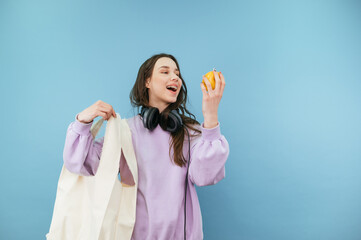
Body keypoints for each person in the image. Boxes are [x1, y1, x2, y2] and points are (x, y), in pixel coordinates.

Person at [63, 53, 230, 240]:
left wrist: (211, 116)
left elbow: (204, 176)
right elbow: (80, 163)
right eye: (165, 71)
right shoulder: (125, 131)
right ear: (147, 82)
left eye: (177, 73)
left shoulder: (191, 133)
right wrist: (83, 121)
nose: (174, 77)